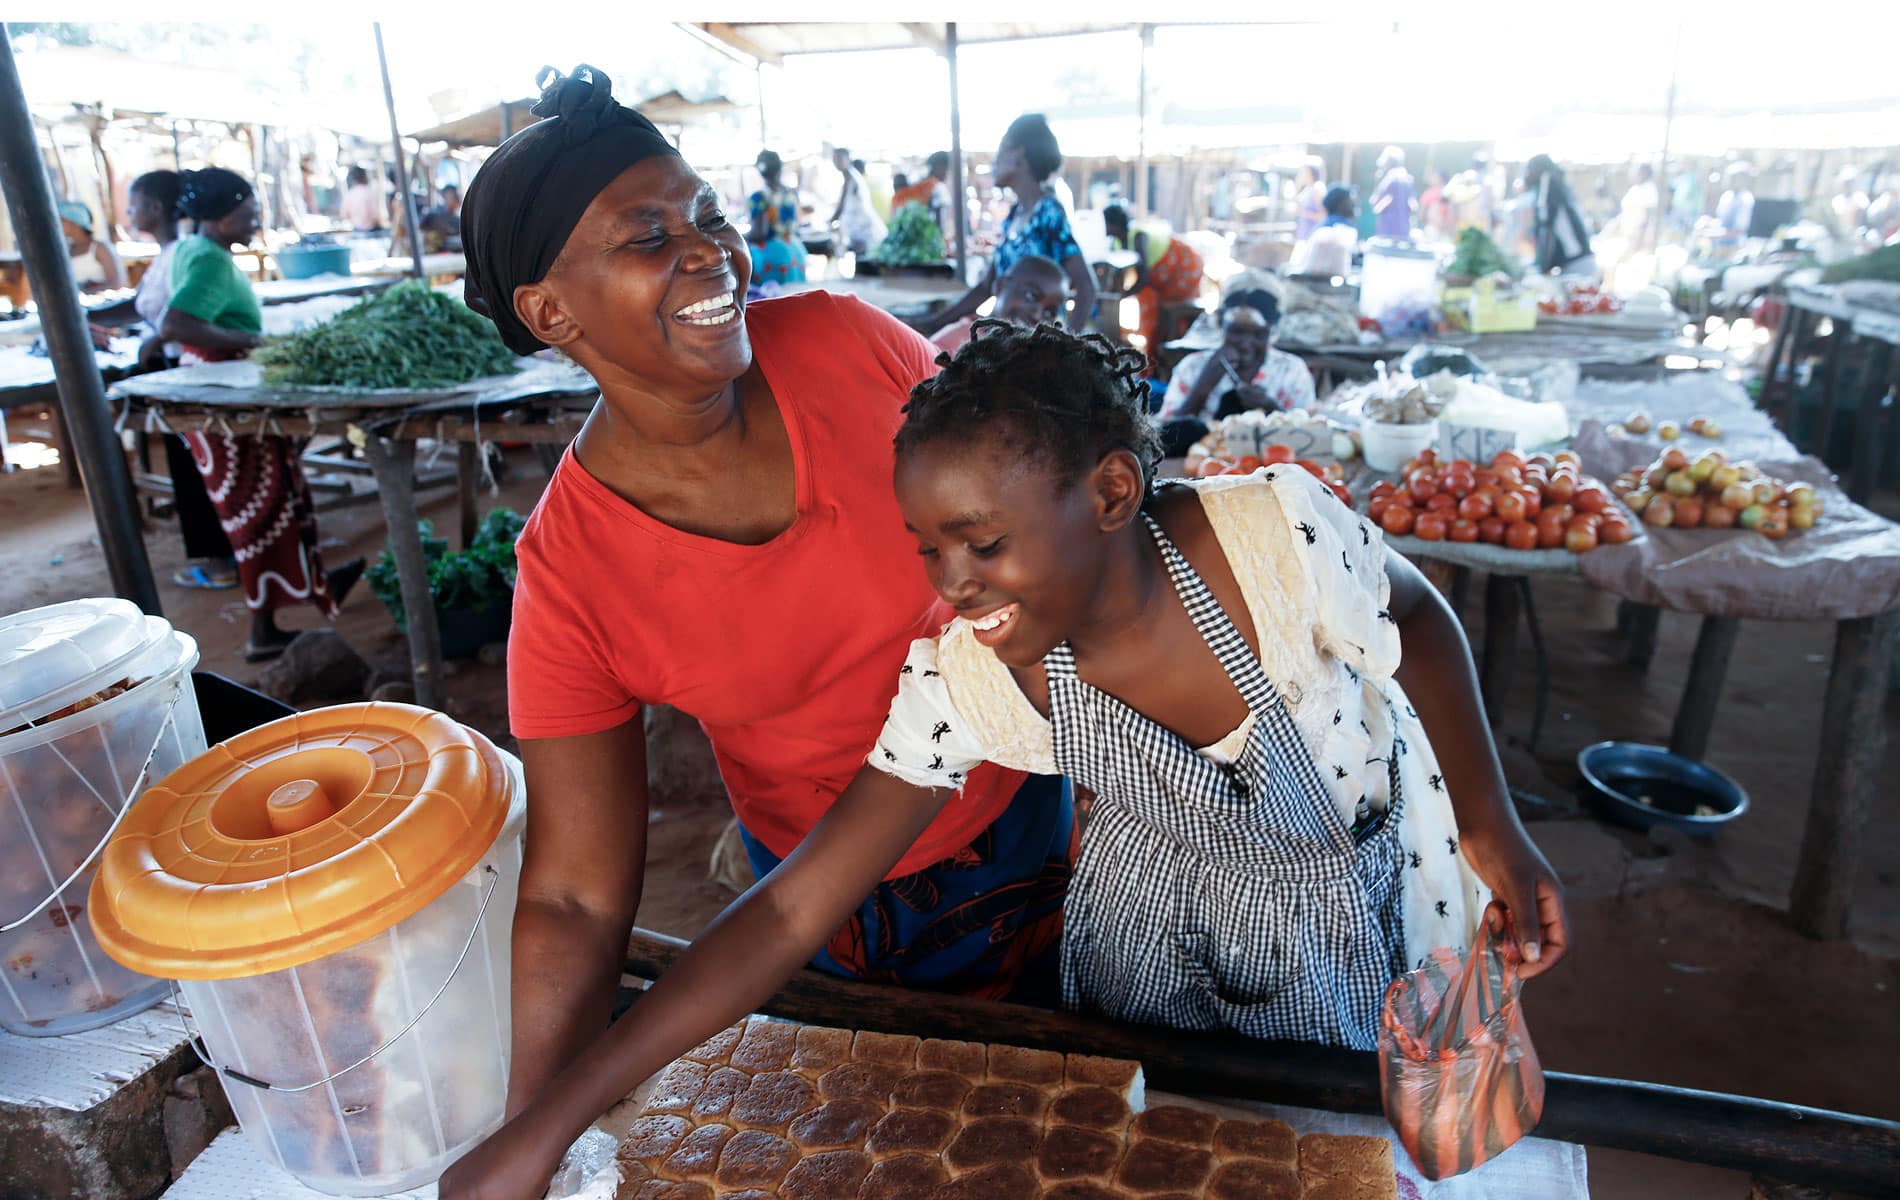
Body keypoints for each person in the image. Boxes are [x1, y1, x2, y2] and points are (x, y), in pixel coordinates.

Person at [439, 320, 1568, 1200]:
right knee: (1170, 1152)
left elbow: (1416, 618)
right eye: (928, 550)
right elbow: (789, 915)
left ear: (1113, 493)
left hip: (1336, 936)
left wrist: (1489, 825)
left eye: (983, 545)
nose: (952, 586)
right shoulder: (976, 679)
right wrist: (547, 1122)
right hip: (1143, 954)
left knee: (1335, 1153)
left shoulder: (1269, 544)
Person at [438, 66, 1074, 1198]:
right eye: (649, 236)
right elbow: (577, 898)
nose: (707, 253)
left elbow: (1026, 533)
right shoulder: (572, 575)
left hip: (1038, 820)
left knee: (1070, 1124)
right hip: (828, 907)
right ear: (550, 311)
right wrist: (529, 1132)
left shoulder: (851, 347)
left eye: (710, 218)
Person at [158, 168, 361, 658]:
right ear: (219, 215)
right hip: (226, 403)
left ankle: (309, 584)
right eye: (246, 213)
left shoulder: (191, 248)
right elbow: (176, 323)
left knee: (276, 496)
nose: (254, 221)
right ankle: (263, 634)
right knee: (258, 507)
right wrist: (254, 341)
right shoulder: (209, 260)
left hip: (219, 394)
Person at [913, 114, 1096, 339]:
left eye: (1001, 151)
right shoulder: (1014, 215)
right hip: (1005, 342)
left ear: (1018, 154)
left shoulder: (1047, 213)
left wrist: (1066, 348)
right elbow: (986, 286)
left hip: (1031, 347)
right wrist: (934, 323)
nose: (994, 162)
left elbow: (1086, 288)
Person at [1158, 289, 1316, 456]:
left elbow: (1310, 441)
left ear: (1272, 333)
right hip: (1202, 466)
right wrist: (1203, 386)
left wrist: (1270, 406)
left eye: (1259, 334)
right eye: (1237, 332)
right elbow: (1164, 437)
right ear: (1220, 325)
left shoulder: (1291, 370)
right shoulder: (1193, 366)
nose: (1246, 344)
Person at [1103, 201, 1206, 361]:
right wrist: (1113, 293)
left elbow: (1143, 277)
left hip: (1183, 266)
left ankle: (1162, 355)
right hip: (1163, 279)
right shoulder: (1116, 243)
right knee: (1149, 303)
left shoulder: (1137, 236)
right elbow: (1117, 275)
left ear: (1113, 223)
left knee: (1158, 307)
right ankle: (1157, 355)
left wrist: (1122, 295)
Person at [929, 252, 1067, 355]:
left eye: (1049, 312)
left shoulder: (1034, 358)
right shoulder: (951, 343)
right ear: (1001, 286)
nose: (1037, 315)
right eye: (1030, 296)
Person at [1525, 154, 1597, 276]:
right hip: (1578, 260)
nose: (1527, 175)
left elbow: (1546, 225)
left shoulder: (1547, 180)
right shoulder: (1556, 180)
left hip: (1576, 262)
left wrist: (1543, 266)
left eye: (1528, 170)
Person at [745, 150, 807, 286]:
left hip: (773, 257)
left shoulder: (759, 197)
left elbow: (759, 233)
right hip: (796, 252)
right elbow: (797, 225)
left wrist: (741, 238)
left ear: (760, 170)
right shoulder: (792, 193)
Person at [1290, 185, 1358, 277]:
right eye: (1350, 200)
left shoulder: (1322, 226)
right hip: (1328, 288)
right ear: (1340, 205)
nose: (1354, 204)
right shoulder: (1341, 229)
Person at [828, 146, 886, 256]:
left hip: (865, 231)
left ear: (848, 159)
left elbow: (841, 206)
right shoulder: (850, 176)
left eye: (839, 159)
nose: (837, 162)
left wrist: (830, 222)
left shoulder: (851, 178)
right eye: (835, 159)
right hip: (860, 230)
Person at [59, 201, 126, 292]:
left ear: (74, 222)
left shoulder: (100, 248)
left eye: (62, 220)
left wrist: (86, 293)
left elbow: (116, 283)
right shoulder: (67, 250)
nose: (58, 225)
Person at [1371, 146, 1416, 240]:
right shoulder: (1408, 179)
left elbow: (1377, 206)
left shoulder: (1390, 180)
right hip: (1404, 232)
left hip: (1388, 231)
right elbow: (1413, 207)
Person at [1715, 163, 1756, 256]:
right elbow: (1720, 220)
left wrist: (1717, 233)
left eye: (1734, 178)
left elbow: (1741, 229)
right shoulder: (1726, 196)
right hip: (1721, 245)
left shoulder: (1745, 199)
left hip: (1736, 247)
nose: (1730, 181)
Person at [1618, 163, 1660, 246]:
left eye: (1637, 171)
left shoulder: (1649, 189)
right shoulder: (1636, 188)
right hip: (1629, 233)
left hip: (1638, 237)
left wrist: (1640, 240)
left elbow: (1648, 216)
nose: (1634, 174)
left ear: (1644, 173)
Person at [1292, 158, 1327, 242]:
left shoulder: (1317, 188)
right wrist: (1297, 185)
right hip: (1303, 236)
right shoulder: (1307, 190)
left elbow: (1323, 216)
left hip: (1312, 237)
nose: (1301, 174)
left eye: (1304, 171)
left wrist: (1303, 213)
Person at [340, 165, 383, 232]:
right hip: (372, 231)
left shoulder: (349, 194)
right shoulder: (369, 192)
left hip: (356, 231)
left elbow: (344, 215)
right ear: (364, 176)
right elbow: (375, 216)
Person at [1420, 171, 1450, 237]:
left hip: (1433, 229)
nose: (1432, 179)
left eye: (1434, 177)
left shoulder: (1430, 193)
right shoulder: (1451, 192)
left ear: (1440, 179)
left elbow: (1422, 214)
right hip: (1446, 231)